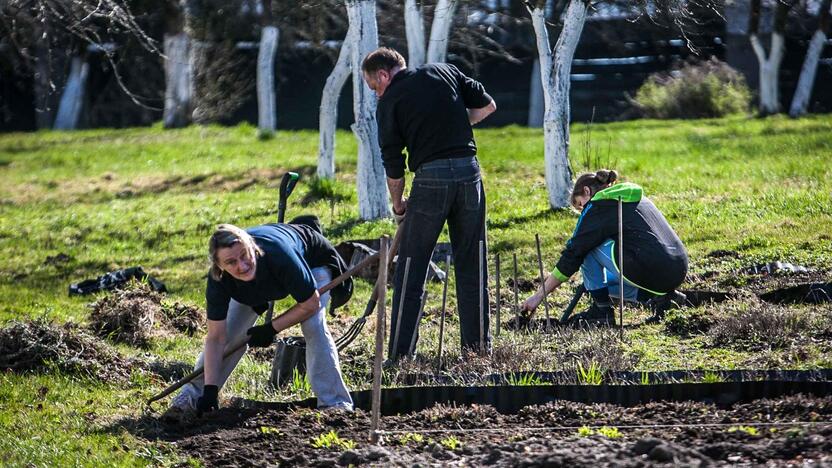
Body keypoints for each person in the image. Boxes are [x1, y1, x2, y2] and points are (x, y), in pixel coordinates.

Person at [361, 47, 497, 360]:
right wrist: (452, 126)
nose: (377, 94)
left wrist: (398, 204)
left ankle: (400, 354)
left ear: (383, 75)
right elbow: (488, 106)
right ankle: (477, 351)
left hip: (430, 181)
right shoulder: (446, 71)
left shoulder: (390, 102)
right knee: (471, 262)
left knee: (412, 266)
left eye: (374, 87)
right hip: (469, 175)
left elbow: (393, 163)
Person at [166, 223, 353, 416]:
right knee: (231, 333)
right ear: (219, 266)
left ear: (252, 247)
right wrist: (211, 390)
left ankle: (335, 403)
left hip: (312, 260)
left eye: (245, 254)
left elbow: (310, 304)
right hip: (253, 287)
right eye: (231, 262)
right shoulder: (219, 280)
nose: (242, 265)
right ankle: (193, 396)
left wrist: (271, 328)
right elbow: (216, 338)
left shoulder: (279, 255)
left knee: (313, 324)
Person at [522, 170, 688, 325]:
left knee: (586, 248)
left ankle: (601, 311)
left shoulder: (598, 206)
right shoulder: (633, 197)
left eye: (580, 205)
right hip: (678, 268)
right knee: (600, 287)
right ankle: (662, 298)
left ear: (587, 191)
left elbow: (573, 254)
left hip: (649, 267)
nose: (583, 211)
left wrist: (538, 296)